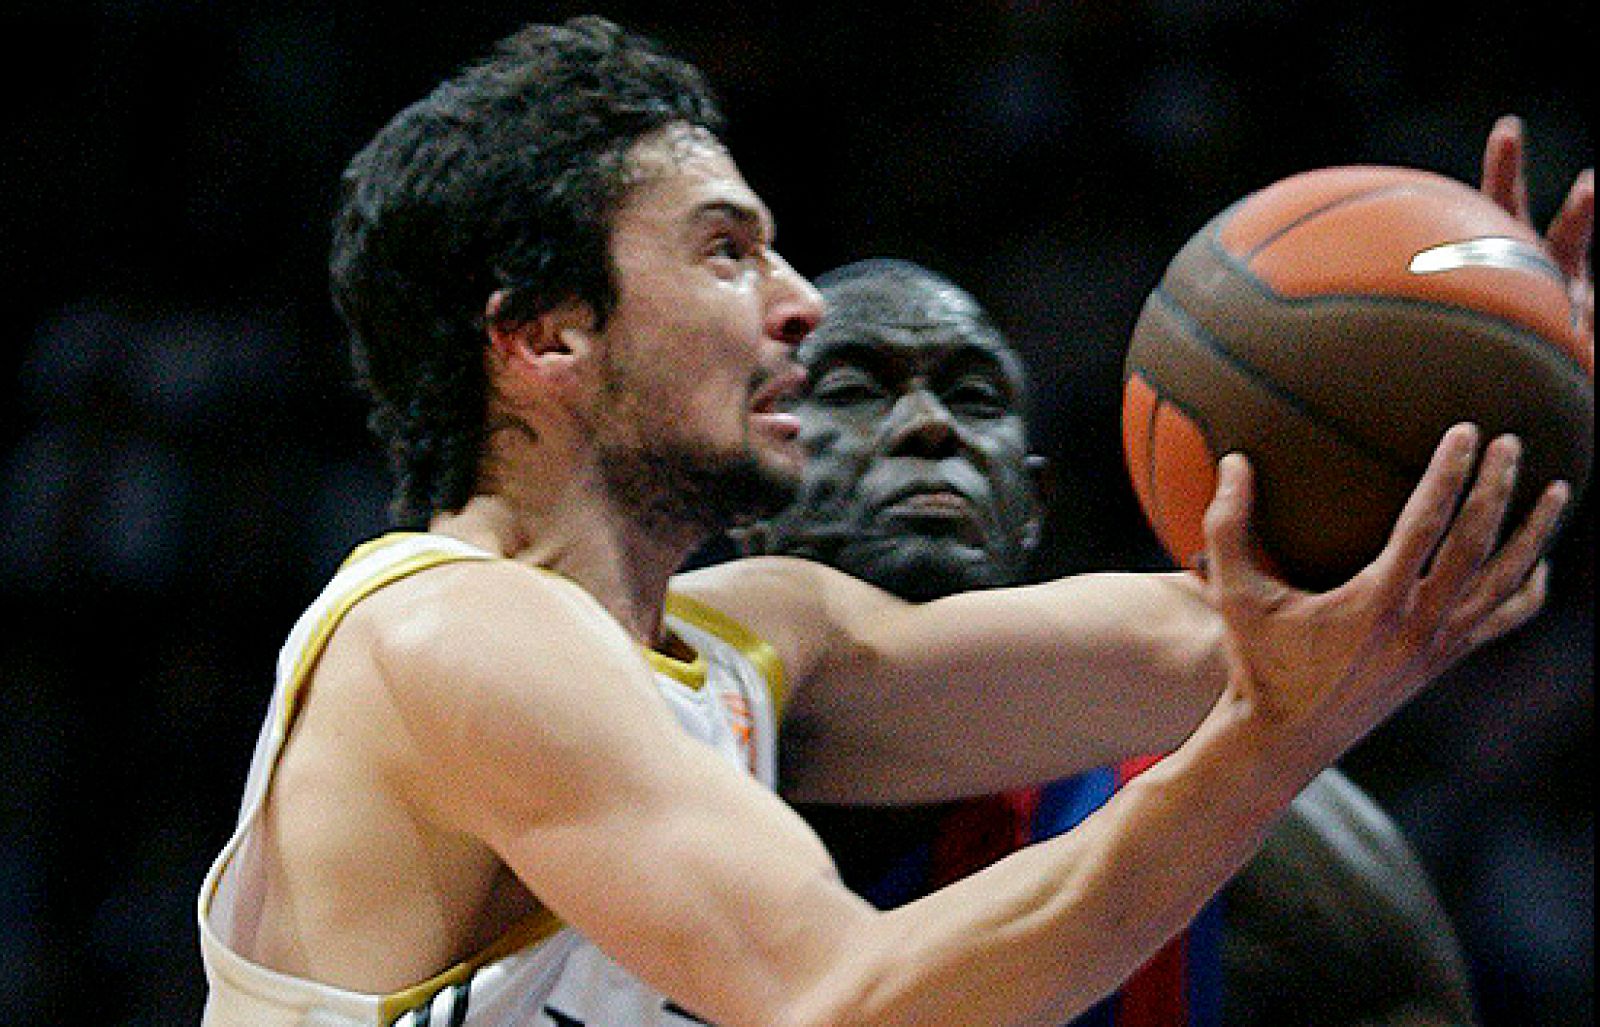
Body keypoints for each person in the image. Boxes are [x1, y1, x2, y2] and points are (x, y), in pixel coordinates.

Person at [195, 17, 1590, 1027]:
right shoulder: (451, 633)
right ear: (544, 333)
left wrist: (1493, 410)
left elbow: (1265, 622)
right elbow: (848, 1001)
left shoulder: (761, 642)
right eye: (727, 249)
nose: (801, 299)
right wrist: (1263, 744)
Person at [748, 256, 1481, 1024]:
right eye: (853, 390)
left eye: (973, 396)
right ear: (743, 479)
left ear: (1032, 506)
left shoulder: (1278, 834)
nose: (932, 424)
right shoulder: (659, 712)